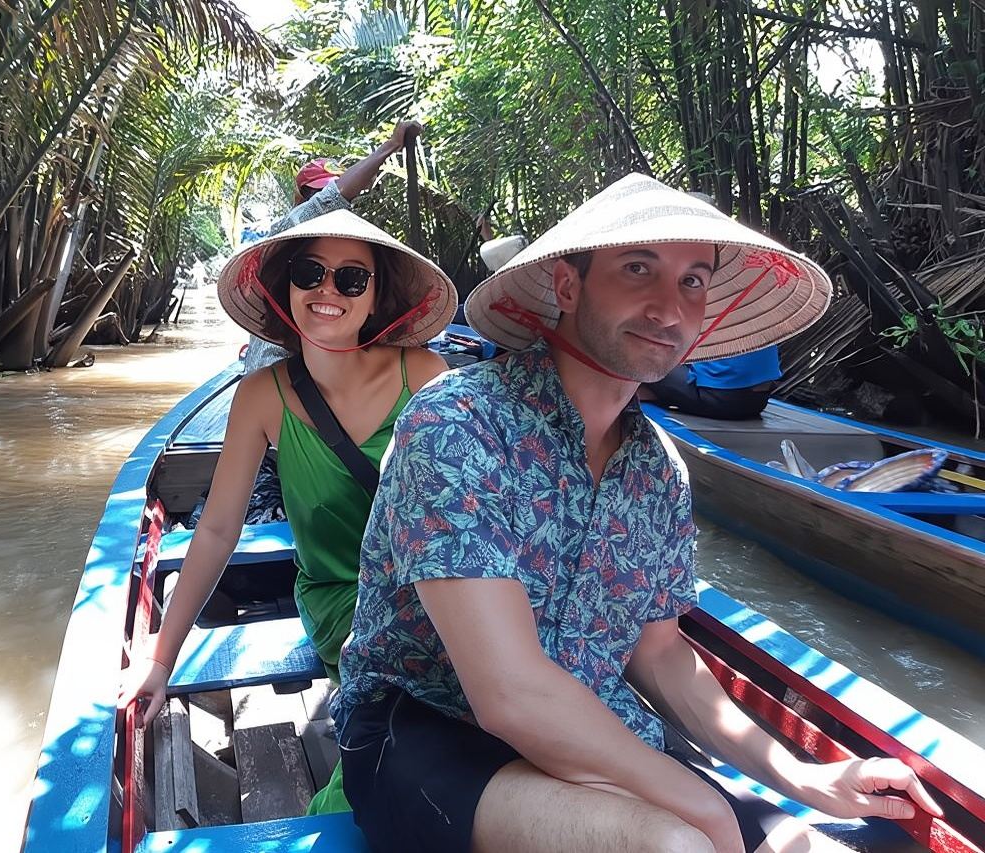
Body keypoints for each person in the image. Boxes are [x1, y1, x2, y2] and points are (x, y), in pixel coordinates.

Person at [333, 173, 942, 853]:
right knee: (675, 843)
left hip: (593, 729)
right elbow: (507, 692)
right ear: (568, 287)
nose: (668, 306)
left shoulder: (659, 471)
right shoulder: (460, 423)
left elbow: (660, 653)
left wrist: (808, 778)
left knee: (805, 846)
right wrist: (704, 810)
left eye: (693, 281)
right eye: (637, 268)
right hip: (423, 730)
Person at [121, 209, 456, 813]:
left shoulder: (427, 375)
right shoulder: (262, 394)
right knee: (415, 714)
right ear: (289, 289)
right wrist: (160, 656)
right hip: (342, 599)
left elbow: (466, 517)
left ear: (376, 298)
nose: (328, 291)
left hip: (438, 593)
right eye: (311, 273)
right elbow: (219, 528)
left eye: (352, 279)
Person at [244, 120, 425, 374]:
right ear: (300, 201)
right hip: (276, 373)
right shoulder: (283, 237)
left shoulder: (354, 252)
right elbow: (332, 198)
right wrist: (391, 146)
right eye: (310, 272)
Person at [640, 345, 781, 419]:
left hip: (720, 398)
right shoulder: (760, 302)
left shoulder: (708, 299)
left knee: (641, 359)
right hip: (759, 400)